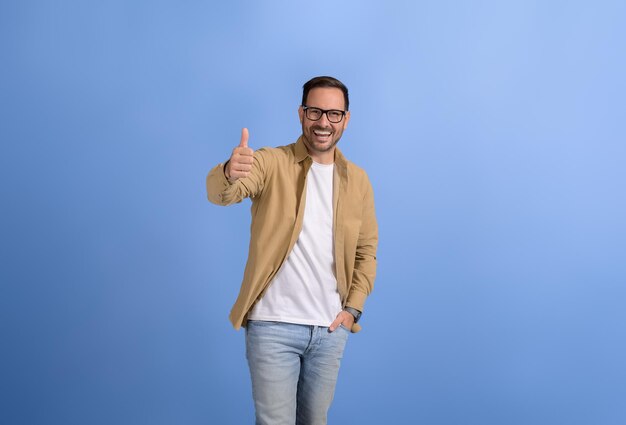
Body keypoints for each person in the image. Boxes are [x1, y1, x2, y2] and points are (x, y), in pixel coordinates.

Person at [206, 76, 378, 425]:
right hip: (273, 326)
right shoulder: (271, 163)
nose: (323, 122)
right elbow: (223, 193)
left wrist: (352, 310)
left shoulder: (357, 180)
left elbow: (366, 250)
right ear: (301, 114)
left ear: (346, 119)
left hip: (329, 331)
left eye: (333, 113)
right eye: (315, 111)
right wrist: (228, 171)